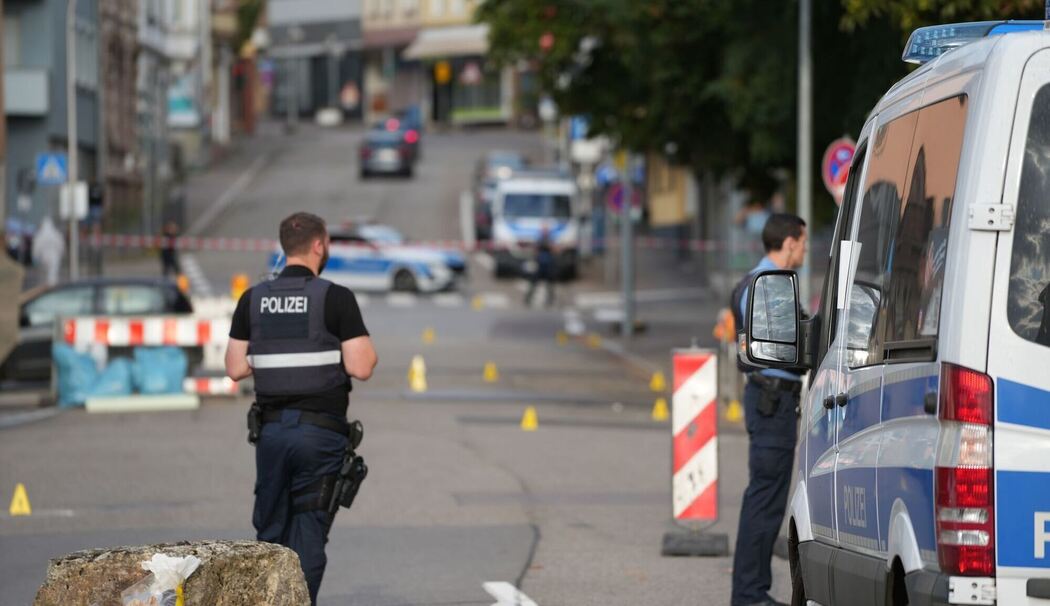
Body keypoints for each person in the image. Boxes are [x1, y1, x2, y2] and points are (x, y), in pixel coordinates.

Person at [224, 212, 378, 604]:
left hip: (272, 435)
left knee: (271, 535)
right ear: (319, 245)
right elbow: (362, 366)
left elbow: (235, 367)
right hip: (319, 436)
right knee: (308, 536)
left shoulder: (253, 298)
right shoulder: (335, 297)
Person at [730, 213, 807, 606]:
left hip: (768, 398)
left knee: (764, 498)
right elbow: (788, 347)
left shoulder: (756, 281)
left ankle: (750, 591)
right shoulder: (771, 286)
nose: (805, 250)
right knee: (764, 500)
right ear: (790, 242)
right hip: (773, 400)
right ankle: (749, 595)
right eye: (804, 242)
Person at [523, 231, 556, 307]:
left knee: (549, 285)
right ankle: (528, 299)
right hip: (540, 265)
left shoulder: (550, 240)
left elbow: (554, 250)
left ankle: (550, 301)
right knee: (533, 284)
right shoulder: (539, 240)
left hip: (548, 266)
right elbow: (535, 250)